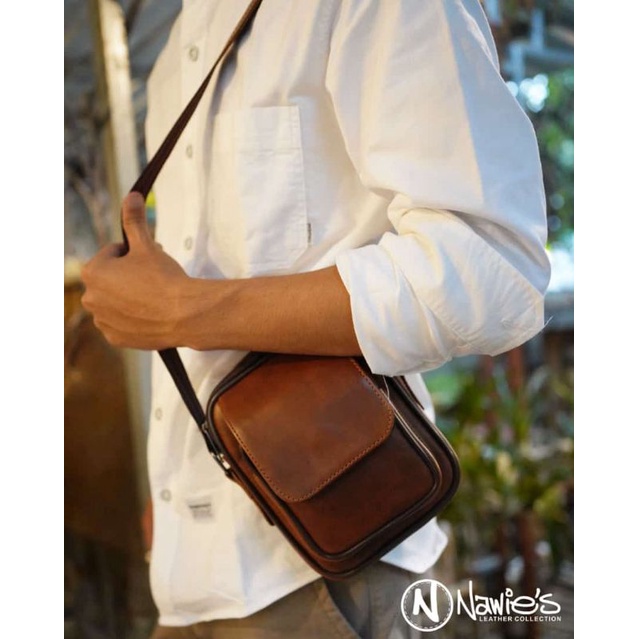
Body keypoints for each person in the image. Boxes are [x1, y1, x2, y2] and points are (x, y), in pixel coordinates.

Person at [81, 1, 551, 637]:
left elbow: (489, 269)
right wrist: (176, 489)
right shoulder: (173, 54)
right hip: (192, 576)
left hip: (331, 573)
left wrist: (181, 311)